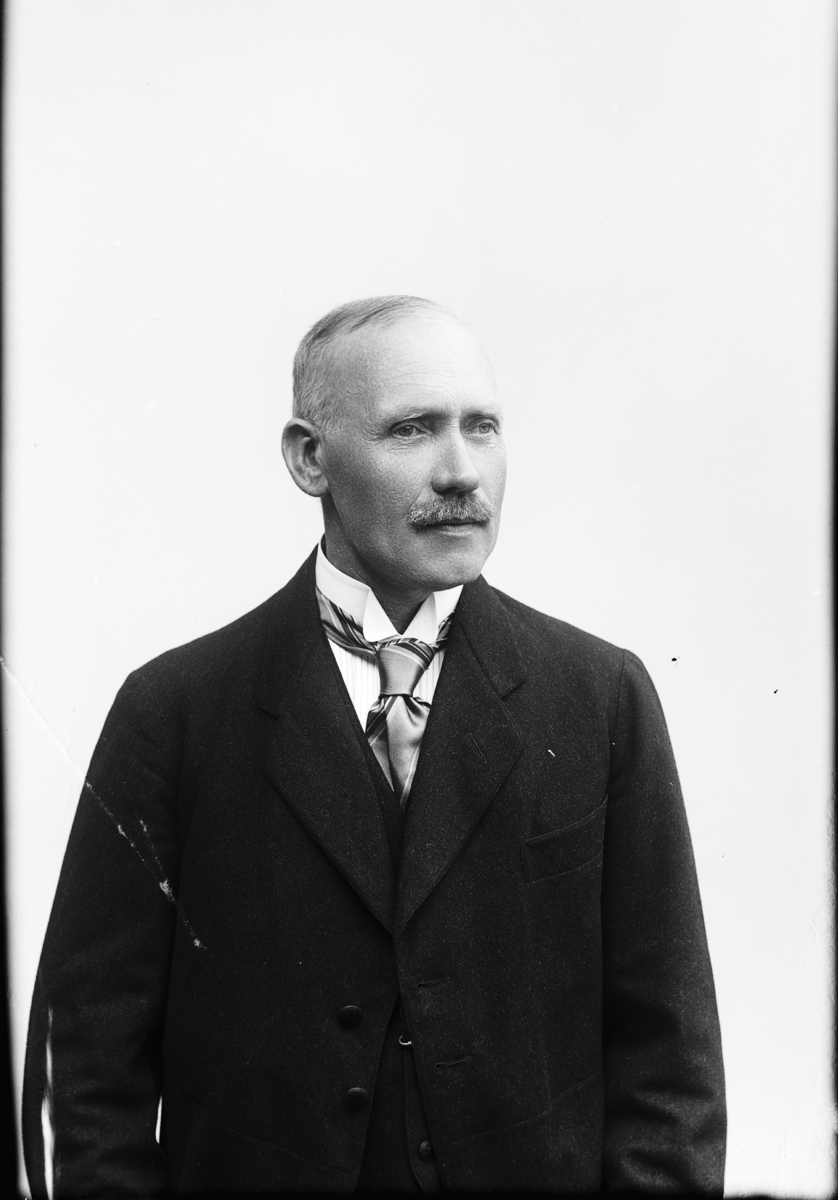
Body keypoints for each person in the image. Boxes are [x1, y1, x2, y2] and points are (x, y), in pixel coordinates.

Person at [22, 295, 726, 1196]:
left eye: (482, 427)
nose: (461, 472)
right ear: (309, 459)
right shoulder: (174, 712)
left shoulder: (601, 698)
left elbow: (672, 1066)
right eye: (411, 430)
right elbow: (86, 1067)